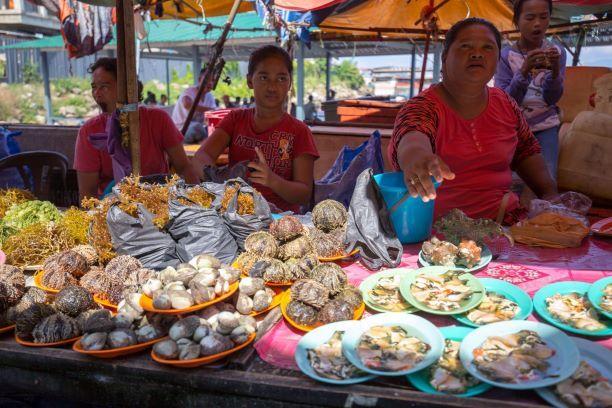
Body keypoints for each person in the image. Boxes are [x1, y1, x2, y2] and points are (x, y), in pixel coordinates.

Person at [389, 18, 557, 225]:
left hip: (504, 226)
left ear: (497, 60)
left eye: (488, 47)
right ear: (444, 58)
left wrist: (552, 199)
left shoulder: (506, 104)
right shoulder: (422, 107)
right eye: (465, 46)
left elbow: (527, 152)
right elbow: (412, 140)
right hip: (437, 238)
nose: (477, 54)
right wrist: (418, 159)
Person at [191, 45, 319, 213]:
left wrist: (272, 180)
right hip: (236, 215)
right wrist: (217, 177)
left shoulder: (299, 131)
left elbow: (304, 194)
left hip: (280, 222)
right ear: (250, 81)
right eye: (264, 77)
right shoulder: (235, 119)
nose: (272, 87)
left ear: (289, 84)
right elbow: (200, 157)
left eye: (281, 79)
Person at [74, 58, 198, 201]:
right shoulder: (89, 132)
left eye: (104, 86)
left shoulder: (158, 119)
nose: (97, 93)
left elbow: (184, 167)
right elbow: (87, 194)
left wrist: (197, 203)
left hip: (160, 203)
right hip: (112, 208)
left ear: (127, 87)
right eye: (94, 87)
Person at [495, 0, 565, 180]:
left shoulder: (557, 52)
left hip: (545, 126)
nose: (538, 24)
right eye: (530, 17)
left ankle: (546, 209)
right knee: (511, 181)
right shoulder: (506, 56)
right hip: (513, 129)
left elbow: (551, 99)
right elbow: (505, 101)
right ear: (516, 21)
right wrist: (524, 70)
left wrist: (555, 71)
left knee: (547, 179)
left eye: (544, 17)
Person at [172, 67, 217, 144]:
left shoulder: (210, 96)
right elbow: (186, 104)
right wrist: (209, 110)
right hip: (180, 130)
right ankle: (205, 143)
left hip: (196, 129)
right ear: (199, 80)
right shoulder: (190, 91)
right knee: (197, 128)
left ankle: (204, 143)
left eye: (212, 80)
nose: (210, 83)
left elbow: (213, 114)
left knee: (215, 131)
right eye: (207, 79)